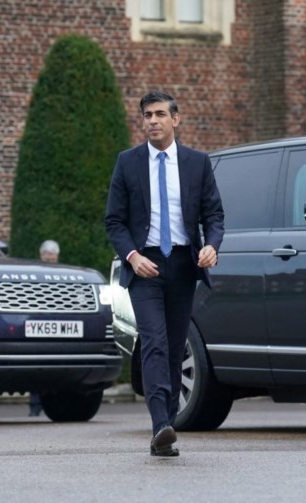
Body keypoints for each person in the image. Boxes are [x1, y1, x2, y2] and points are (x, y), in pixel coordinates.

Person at [105, 91, 224, 457]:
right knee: (154, 342)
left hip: (184, 266)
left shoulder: (197, 163)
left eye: (159, 114)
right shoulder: (128, 162)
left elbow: (214, 215)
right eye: (147, 115)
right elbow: (114, 221)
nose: (152, 121)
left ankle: (166, 428)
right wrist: (132, 256)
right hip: (145, 267)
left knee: (174, 347)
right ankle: (160, 424)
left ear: (176, 119)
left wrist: (212, 246)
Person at [28, 239, 61, 417]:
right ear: (41, 256)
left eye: (52, 257)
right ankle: (34, 407)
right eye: (47, 256)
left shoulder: (62, 276)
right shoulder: (34, 275)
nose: (50, 259)